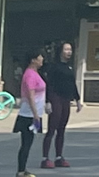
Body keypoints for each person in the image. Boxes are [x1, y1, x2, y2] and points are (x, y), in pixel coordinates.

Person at [41, 40, 82, 169]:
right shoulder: (53, 67)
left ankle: (59, 157)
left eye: (70, 50)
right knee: (52, 128)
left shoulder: (69, 67)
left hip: (66, 99)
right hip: (55, 98)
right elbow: (49, 85)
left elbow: (72, 84)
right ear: (60, 51)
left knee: (62, 129)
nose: (69, 52)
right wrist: (47, 101)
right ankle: (45, 158)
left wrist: (77, 100)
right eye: (66, 49)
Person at [15, 50, 46, 177]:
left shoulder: (35, 73)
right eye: (40, 57)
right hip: (28, 114)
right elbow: (31, 96)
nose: (42, 59)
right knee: (26, 144)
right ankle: (21, 171)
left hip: (34, 113)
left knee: (28, 143)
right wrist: (35, 115)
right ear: (33, 60)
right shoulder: (29, 75)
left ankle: (22, 169)